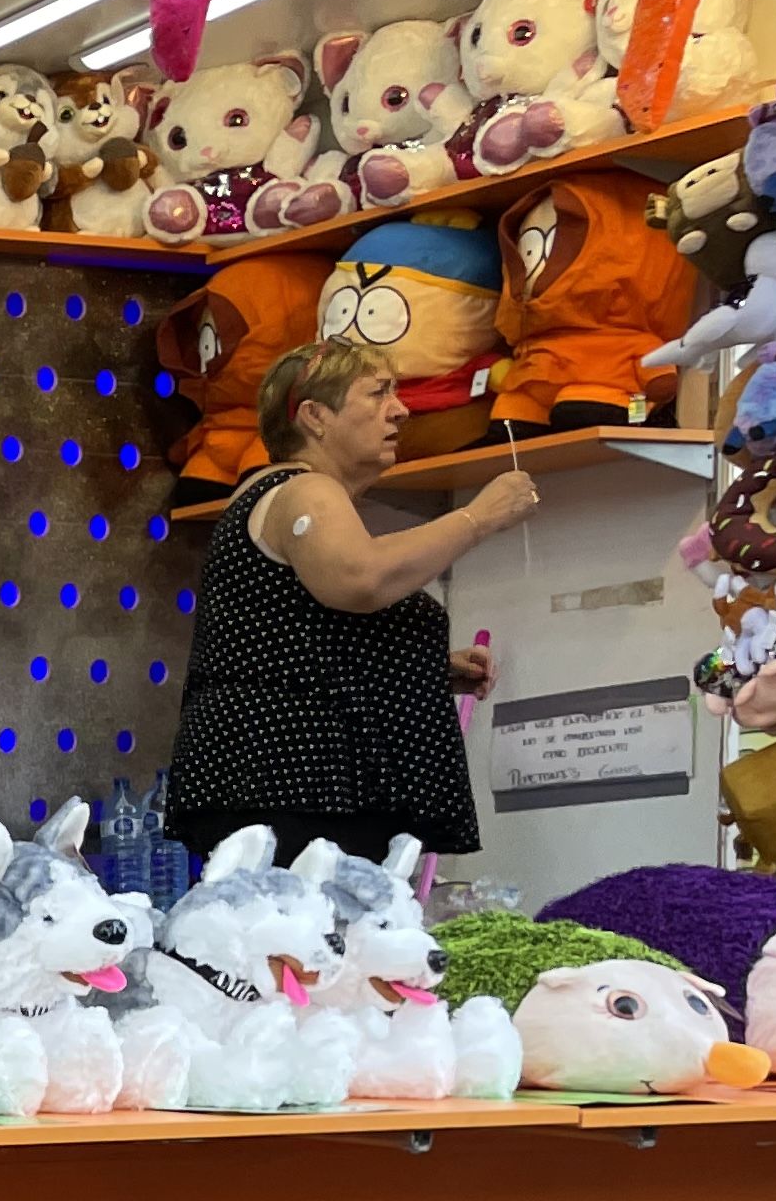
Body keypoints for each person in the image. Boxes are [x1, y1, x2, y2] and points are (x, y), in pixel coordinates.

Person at [165, 337, 531, 867]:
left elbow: (297, 636)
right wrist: (479, 518)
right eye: (377, 394)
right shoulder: (303, 491)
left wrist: (417, 667)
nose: (401, 410)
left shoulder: (290, 495)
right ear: (314, 416)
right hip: (291, 786)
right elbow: (358, 579)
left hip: (291, 785)